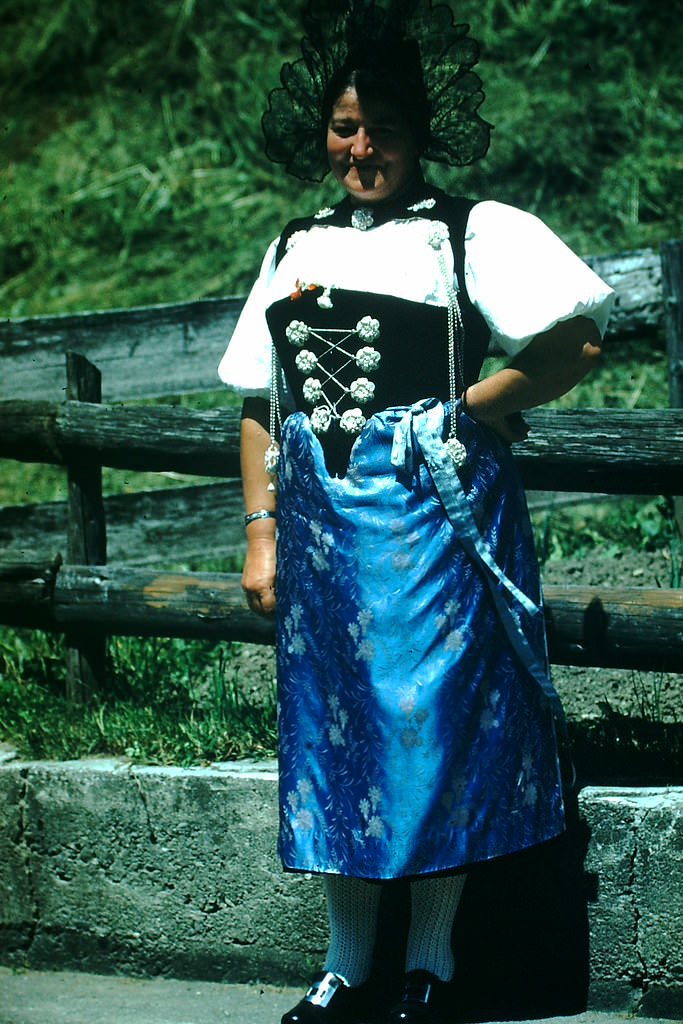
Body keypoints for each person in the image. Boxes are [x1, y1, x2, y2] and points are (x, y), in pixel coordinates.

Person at [218, 3, 614, 1022]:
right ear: (324, 132)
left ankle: (426, 966)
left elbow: (572, 345)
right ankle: (344, 967)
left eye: (383, 125)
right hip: (321, 538)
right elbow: (260, 405)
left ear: (419, 129)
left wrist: (464, 411)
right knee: (332, 737)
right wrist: (260, 530)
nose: (363, 147)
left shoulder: (465, 232)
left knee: (424, 728)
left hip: (431, 531)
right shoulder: (292, 243)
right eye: (346, 126)